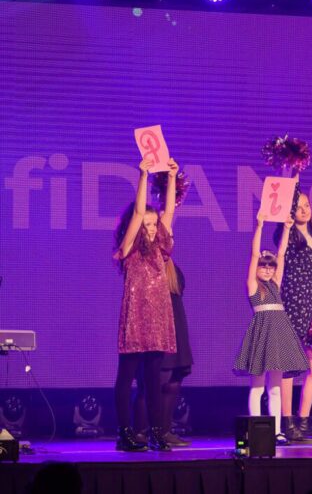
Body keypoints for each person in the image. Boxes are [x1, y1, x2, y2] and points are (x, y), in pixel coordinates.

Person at [113, 158, 179, 452]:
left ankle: (156, 432)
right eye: (147, 225)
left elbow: (170, 211)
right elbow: (140, 211)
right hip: (136, 318)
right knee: (126, 377)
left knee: (153, 379)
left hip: (158, 318)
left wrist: (172, 177)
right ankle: (125, 433)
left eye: (154, 225)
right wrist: (143, 175)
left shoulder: (161, 248)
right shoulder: (128, 249)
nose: (151, 229)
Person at [233, 212, 310, 444]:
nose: (267, 269)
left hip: (279, 334)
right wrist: (259, 226)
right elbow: (254, 253)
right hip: (261, 335)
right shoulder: (253, 286)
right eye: (263, 266)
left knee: (275, 387)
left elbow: (282, 254)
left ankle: (276, 430)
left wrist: (286, 229)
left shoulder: (275, 283)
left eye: (270, 267)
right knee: (257, 387)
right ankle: (255, 428)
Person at [272, 178, 312, 444]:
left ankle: (303, 421)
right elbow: (281, 254)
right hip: (293, 303)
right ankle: (287, 423)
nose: (304, 210)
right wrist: (291, 176)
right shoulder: (287, 236)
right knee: (290, 367)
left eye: (307, 205)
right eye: (298, 206)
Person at [133, 259, 193, 446]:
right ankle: (141, 433)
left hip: (176, 330)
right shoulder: (144, 265)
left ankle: (164, 431)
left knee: (173, 384)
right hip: (156, 333)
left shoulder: (173, 268)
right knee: (152, 385)